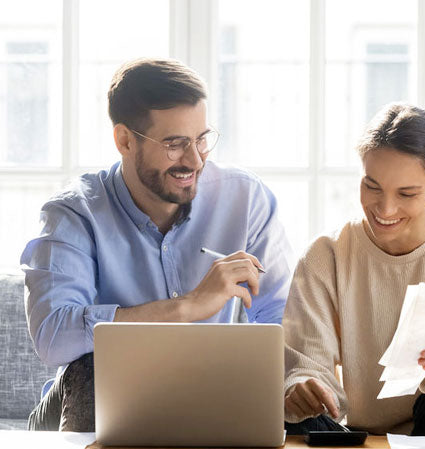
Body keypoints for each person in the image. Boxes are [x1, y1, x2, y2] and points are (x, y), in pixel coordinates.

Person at [21, 58, 292, 432]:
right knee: (90, 367)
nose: (194, 160)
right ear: (124, 140)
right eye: (175, 144)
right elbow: (53, 337)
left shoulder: (245, 200)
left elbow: (282, 317)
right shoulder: (74, 213)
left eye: (201, 139)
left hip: (203, 398)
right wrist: (185, 308)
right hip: (89, 405)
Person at [283, 103, 425, 437]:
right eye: (371, 186)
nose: (385, 209)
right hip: (366, 435)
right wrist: (304, 390)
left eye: (406, 193)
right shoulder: (327, 255)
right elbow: (307, 364)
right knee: (286, 417)